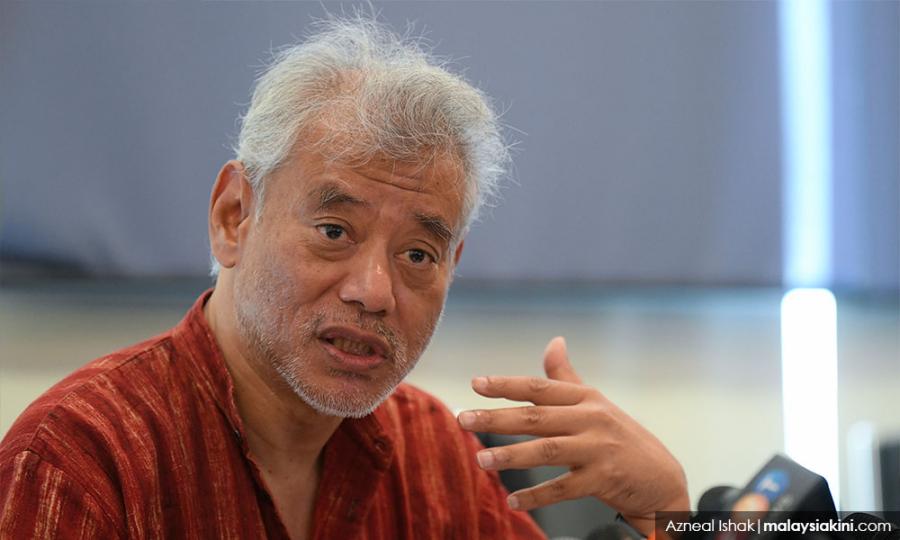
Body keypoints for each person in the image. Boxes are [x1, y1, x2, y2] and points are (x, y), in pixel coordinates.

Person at [0, 17, 688, 539]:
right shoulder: (79, 460)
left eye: (417, 255)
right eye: (335, 232)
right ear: (234, 217)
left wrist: (671, 516)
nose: (374, 291)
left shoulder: (430, 453)